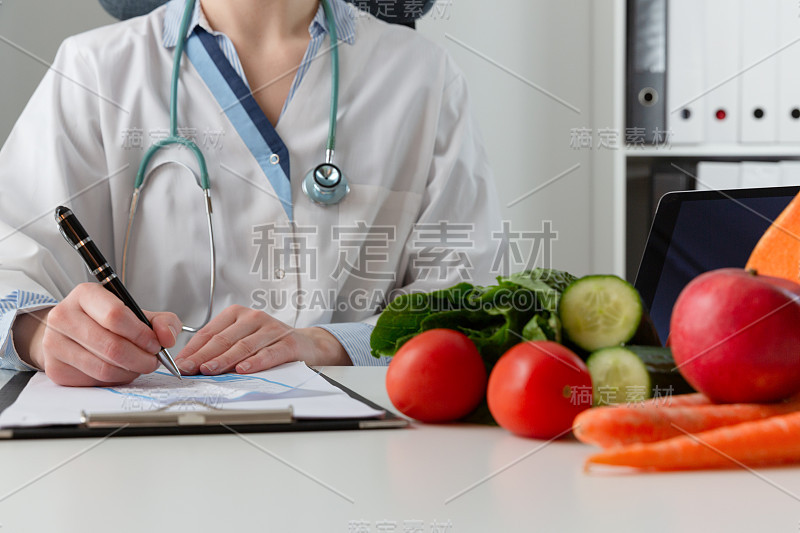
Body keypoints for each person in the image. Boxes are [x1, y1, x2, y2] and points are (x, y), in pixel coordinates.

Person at [0, 0, 502, 386]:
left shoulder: (423, 76)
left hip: (364, 459)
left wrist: (328, 344)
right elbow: (9, 265)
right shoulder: (93, 70)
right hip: (150, 458)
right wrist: (42, 333)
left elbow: (471, 302)